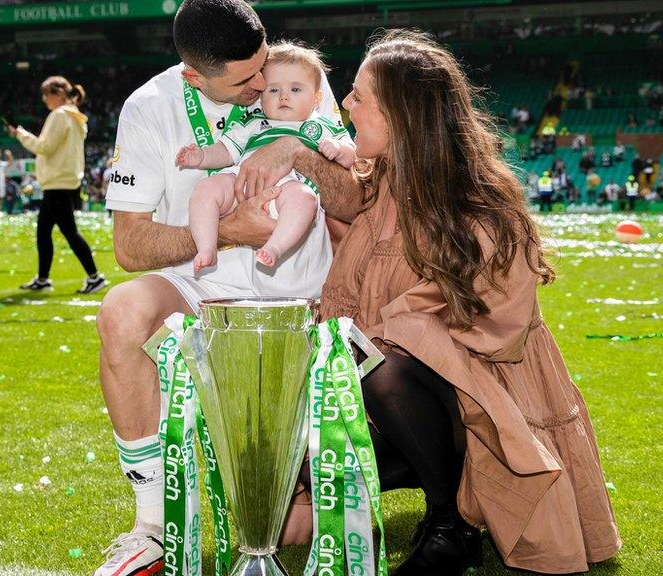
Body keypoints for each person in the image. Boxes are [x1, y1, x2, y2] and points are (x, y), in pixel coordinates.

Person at [312, 30, 621, 574]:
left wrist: (405, 324)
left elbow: (493, 331)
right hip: (417, 397)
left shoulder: (478, 201)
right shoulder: (382, 181)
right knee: (311, 463)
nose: (345, 103)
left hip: (482, 400)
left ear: (403, 114)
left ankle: (450, 524)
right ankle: (435, 487)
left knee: (389, 375)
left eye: (360, 95)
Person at [93, 1, 349, 573]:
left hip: (302, 290)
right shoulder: (149, 108)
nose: (263, 85)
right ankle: (151, 525)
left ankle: (307, 483)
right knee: (122, 312)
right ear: (194, 77)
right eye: (245, 79)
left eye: (264, 66)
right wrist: (229, 232)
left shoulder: (293, 75)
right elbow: (131, 248)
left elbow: (353, 197)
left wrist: (297, 149)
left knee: (290, 527)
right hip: (200, 286)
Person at [175, 41, 355, 271]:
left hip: (289, 187)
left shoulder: (321, 127)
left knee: (306, 200)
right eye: (274, 90)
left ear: (317, 99)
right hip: (240, 182)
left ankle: (274, 248)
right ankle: (206, 246)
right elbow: (227, 151)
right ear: (262, 96)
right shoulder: (254, 123)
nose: (284, 97)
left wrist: (339, 151)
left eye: (295, 89)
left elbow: (354, 158)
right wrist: (201, 157)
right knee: (205, 189)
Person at [8, 75, 107, 295]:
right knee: (43, 231)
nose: (44, 100)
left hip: (57, 182)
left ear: (58, 94)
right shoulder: (76, 117)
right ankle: (43, 279)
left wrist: (20, 134)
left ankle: (94, 276)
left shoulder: (59, 115)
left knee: (69, 232)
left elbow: (44, 147)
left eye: (46, 94)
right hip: (64, 179)